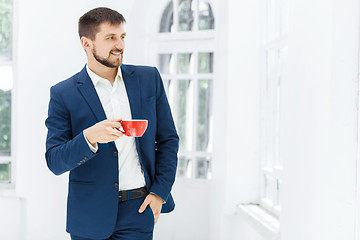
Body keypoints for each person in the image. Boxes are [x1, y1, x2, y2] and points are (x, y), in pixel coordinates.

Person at [45, 7, 179, 240]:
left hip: (138, 210)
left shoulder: (149, 80)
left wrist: (160, 192)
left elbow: (168, 140)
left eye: (122, 37)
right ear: (86, 43)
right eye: (110, 38)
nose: (120, 45)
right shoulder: (63, 94)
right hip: (88, 216)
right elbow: (55, 161)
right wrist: (89, 138)